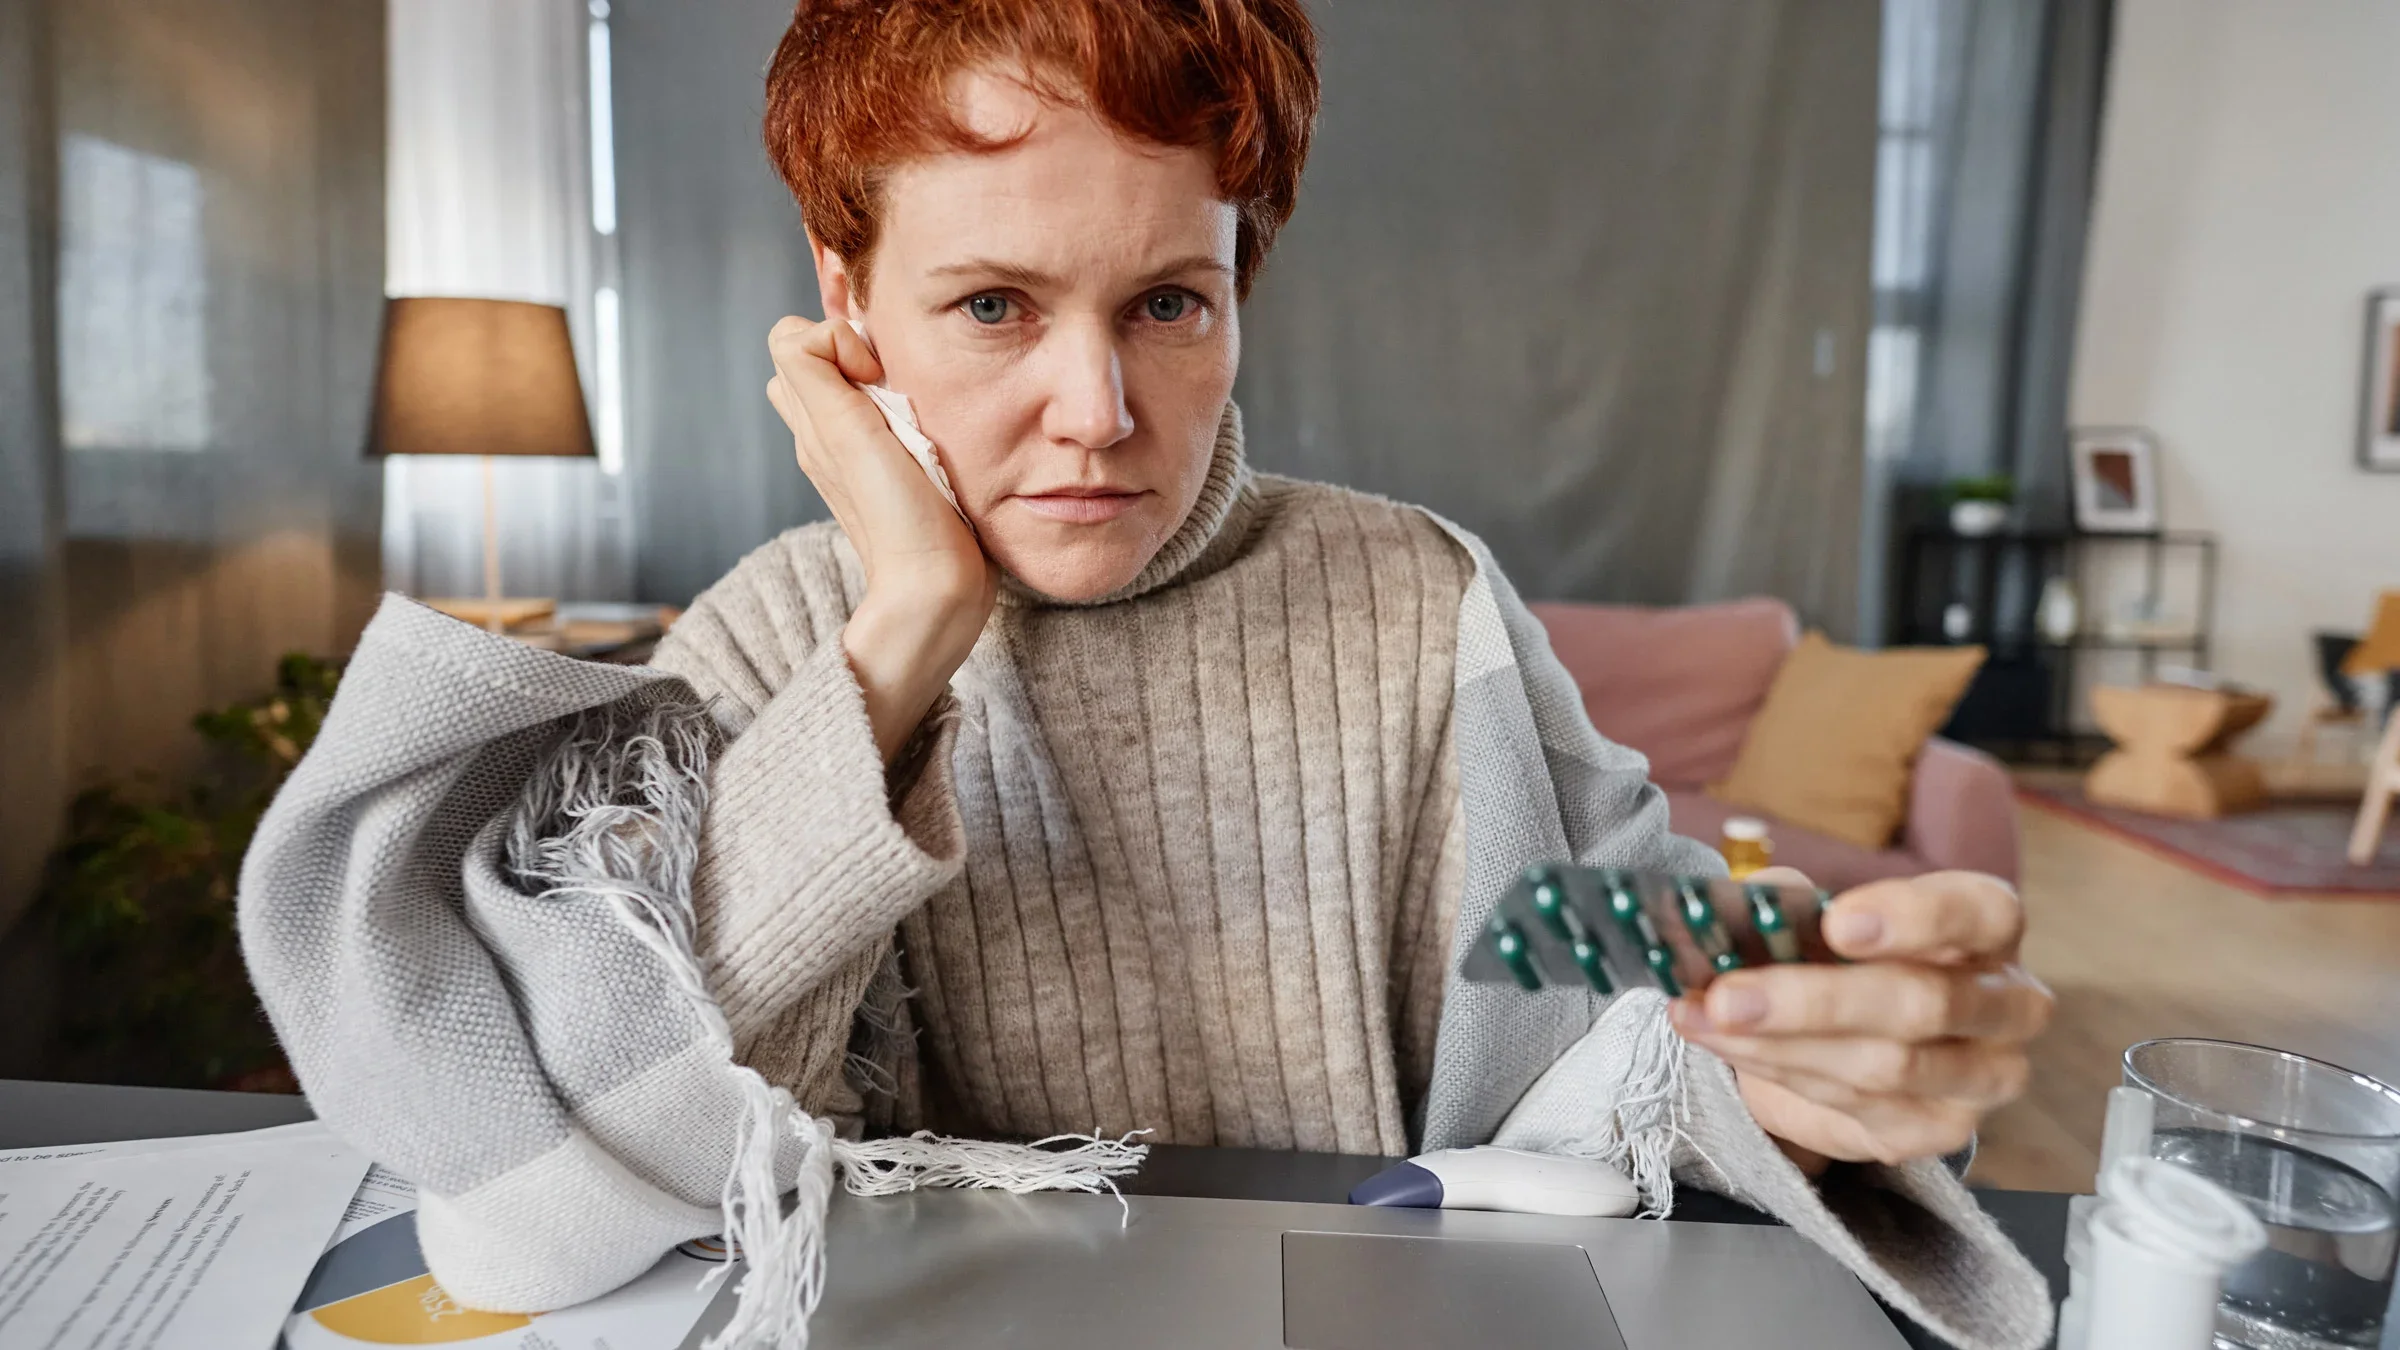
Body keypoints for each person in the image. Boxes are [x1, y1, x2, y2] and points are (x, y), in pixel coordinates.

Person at [239, 2, 2053, 1346]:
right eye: (995, 307)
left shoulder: (1427, 602)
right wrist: (902, 641)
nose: (1099, 416)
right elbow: (538, 1224)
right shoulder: (769, 649)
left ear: (1241, 280)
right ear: (846, 299)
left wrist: (1793, 1066)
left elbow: (1601, 1043)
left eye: (1169, 304)